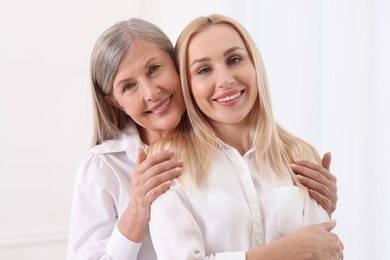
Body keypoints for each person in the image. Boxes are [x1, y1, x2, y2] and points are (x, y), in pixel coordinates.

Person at [67, 18, 339, 260]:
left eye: (154, 69)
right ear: (115, 103)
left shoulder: (238, 146)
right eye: (129, 86)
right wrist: (137, 210)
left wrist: (311, 203)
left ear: (178, 69)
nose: (151, 92)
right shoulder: (104, 166)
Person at [148, 14, 344, 259]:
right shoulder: (167, 163)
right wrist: (286, 251)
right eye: (204, 69)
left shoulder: (300, 155)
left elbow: (323, 252)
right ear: (187, 84)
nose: (225, 80)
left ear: (254, 65)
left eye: (234, 59)